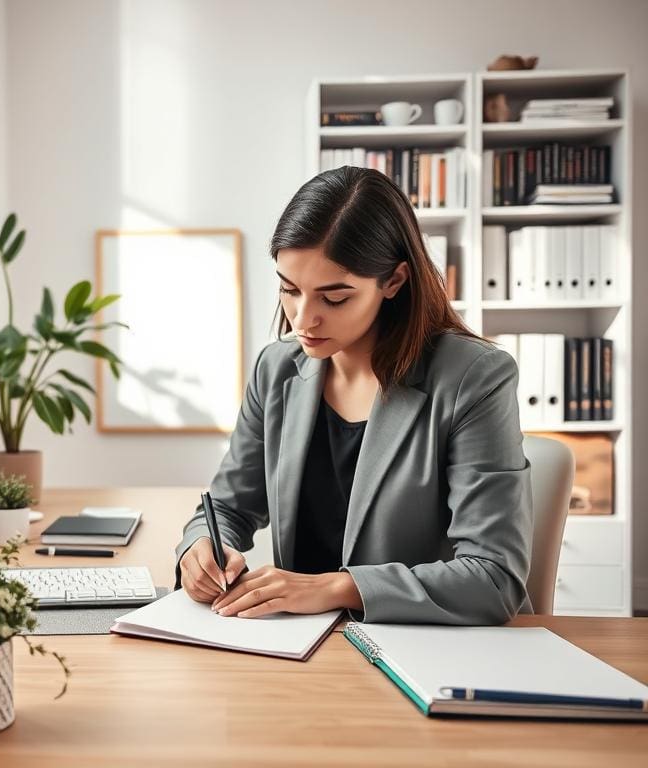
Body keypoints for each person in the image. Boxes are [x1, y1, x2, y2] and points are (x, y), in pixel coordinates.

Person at [175, 166, 532, 625]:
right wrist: (201, 548)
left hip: (420, 650)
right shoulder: (276, 368)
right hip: (296, 644)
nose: (304, 319)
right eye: (289, 289)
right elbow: (226, 506)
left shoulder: (474, 378)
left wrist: (336, 587)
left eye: (335, 298)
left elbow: (493, 577)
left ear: (394, 282)